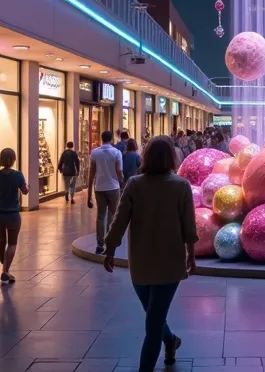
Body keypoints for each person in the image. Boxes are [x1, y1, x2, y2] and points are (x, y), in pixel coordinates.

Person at [103, 135, 198, 372]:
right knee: (154, 318)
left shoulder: (135, 184)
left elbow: (119, 221)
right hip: (170, 263)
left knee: (152, 319)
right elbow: (189, 225)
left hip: (141, 264)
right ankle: (170, 340)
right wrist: (191, 253)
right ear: (171, 158)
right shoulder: (180, 185)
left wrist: (110, 248)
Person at [0, 148, 29, 284]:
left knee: (0, 241)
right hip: (13, 215)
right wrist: (28, 186)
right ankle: (5, 270)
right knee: (12, 243)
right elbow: (25, 191)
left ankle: (5, 266)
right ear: (13, 159)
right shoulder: (18, 175)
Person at [88, 129, 123, 254]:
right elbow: (119, 172)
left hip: (100, 188)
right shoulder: (116, 152)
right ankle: (110, 241)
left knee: (101, 216)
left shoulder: (95, 153)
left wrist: (88, 195)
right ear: (111, 139)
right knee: (113, 214)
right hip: (114, 187)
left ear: (101, 139)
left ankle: (99, 244)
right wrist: (123, 182)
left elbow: (91, 174)